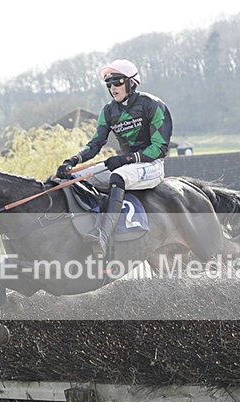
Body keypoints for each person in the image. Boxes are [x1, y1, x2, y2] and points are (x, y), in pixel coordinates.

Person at [56, 59, 173, 255]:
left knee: (117, 177)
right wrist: (73, 160)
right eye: (109, 84)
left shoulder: (152, 105)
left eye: (117, 82)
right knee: (73, 180)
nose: (112, 88)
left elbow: (159, 148)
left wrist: (126, 160)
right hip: (125, 164)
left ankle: (102, 235)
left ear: (131, 83)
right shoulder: (109, 111)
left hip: (151, 165)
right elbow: (95, 144)